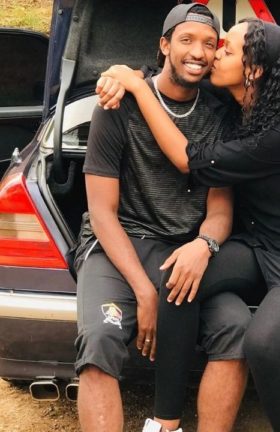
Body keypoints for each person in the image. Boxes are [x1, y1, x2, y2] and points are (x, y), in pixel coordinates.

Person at [98, 17, 280, 432]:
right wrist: (124, 74)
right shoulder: (241, 102)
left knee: (264, 344)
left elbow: (190, 161)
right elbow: (171, 75)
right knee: (179, 279)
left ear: (253, 70)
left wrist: (137, 89)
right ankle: (165, 423)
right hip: (260, 244)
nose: (214, 55)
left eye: (226, 49)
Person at [75, 4, 250, 432]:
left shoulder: (222, 115)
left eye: (209, 44)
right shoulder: (116, 105)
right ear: (164, 45)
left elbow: (220, 210)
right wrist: (144, 291)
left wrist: (204, 245)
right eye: (187, 40)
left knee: (237, 327)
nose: (198, 52)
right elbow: (102, 212)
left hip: (184, 253)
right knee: (100, 338)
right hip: (119, 246)